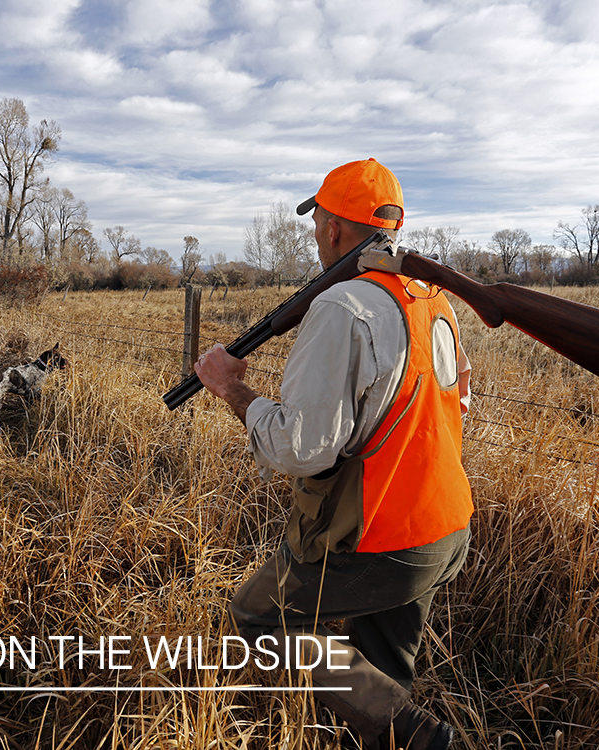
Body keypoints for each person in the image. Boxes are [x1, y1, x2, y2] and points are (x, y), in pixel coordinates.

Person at [193, 158, 474, 750]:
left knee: (259, 618)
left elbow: (299, 449)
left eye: (319, 220)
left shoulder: (343, 307)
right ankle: (388, 736)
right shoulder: (433, 299)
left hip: (379, 535)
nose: (317, 232)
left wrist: (231, 389)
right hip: (444, 526)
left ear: (335, 231)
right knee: (380, 666)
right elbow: (456, 403)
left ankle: (421, 739)